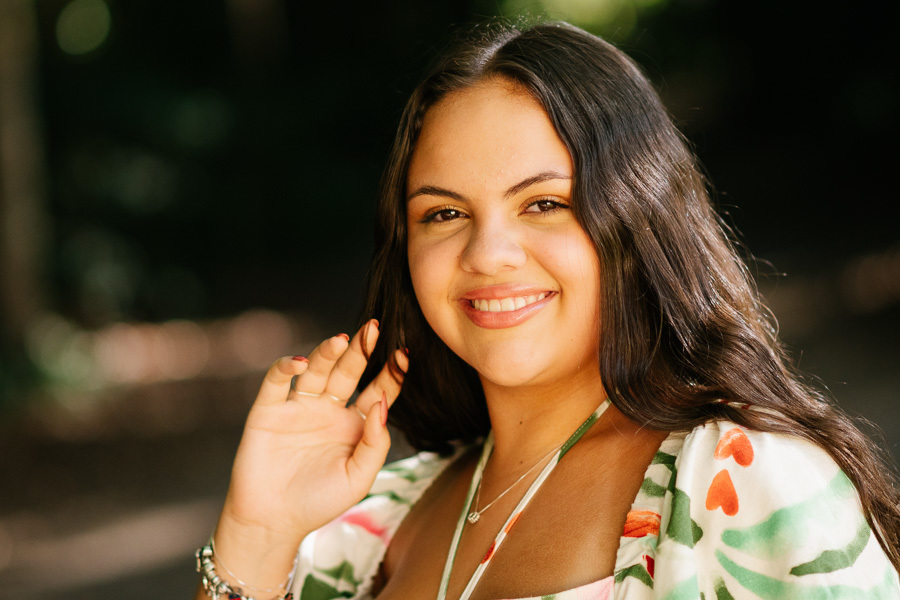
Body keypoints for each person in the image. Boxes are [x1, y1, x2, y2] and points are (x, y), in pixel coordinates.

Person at [194, 21, 900, 600]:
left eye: (543, 203)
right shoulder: (365, 525)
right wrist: (257, 537)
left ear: (636, 217)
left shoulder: (742, 483)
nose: (488, 254)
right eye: (444, 213)